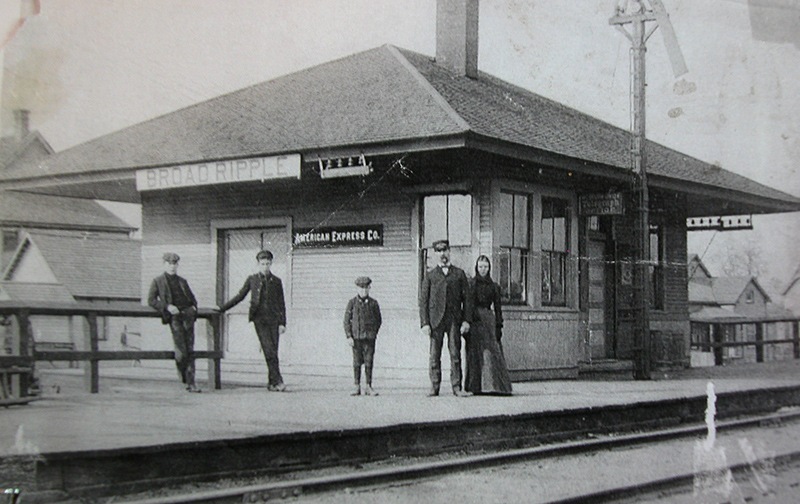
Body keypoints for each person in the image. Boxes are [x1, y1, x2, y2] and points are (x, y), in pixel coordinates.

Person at [220, 249, 287, 392]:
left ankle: (272, 383)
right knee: (269, 350)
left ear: (271, 263)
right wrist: (222, 308)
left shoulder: (276, 281)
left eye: (267, 263)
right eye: (262, 264)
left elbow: (282, 303)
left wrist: (283, 323)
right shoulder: (252, 279)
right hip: (260, 320)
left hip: (274, 320)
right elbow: (240, 296)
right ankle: (278, 381)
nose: (265, 266)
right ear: (258, 264)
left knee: (273, 351)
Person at [419, 239, 473, 397]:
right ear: (435, 254)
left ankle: (457, 387)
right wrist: (425, 323)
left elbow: (467, 300)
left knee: (455, 354)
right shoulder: (430, 276)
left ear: (450, 252)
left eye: (445, 251)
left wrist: (466, 321)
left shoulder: (459, 274)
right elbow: (423, 302)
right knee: (434, 355)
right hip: (435, 322)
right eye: (439, 251)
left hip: (454, 321)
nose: (442, 254)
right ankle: (434, 386)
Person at [148, 252, 200, 392]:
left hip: (187, 316)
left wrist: (193, 308)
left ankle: (191, 382)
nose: (172, 266)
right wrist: (167, 307)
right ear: (164, 264)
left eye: (174, 264)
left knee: (190, 349)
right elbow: (151, 300)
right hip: (174, 317)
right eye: (169, 264)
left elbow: (192, 298)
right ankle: (184, 375)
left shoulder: (182, 281)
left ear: (177, 265)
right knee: (181, 350)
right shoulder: (158, 281)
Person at [465, 255, 513, 395]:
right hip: (475, 320)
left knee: (492, 352)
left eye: (485, 267)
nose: (483, 269)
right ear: (476, 267)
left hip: (488, 320)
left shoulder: (494, 286)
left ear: (489, 268)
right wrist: (467, 321)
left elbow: (498, 308)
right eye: (480, 267)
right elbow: (468, 304)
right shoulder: (471, 284)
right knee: (475, 353)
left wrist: (499, 325)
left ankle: (494, 386)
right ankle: (475, 386)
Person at [343, 276, 382, 396]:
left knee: (369, 362)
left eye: (366, 288)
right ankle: (356, 386)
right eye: (361, 289)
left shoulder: (373, 303)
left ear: (369, 289)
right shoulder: (352, 303)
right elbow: (346, 321)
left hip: (369, 338)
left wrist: (373, 333)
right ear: (357, 289)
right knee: (356, 362)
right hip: (356, 338)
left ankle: (368, 386)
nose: (363, 291)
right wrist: (349, 336)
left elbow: (378, 320)